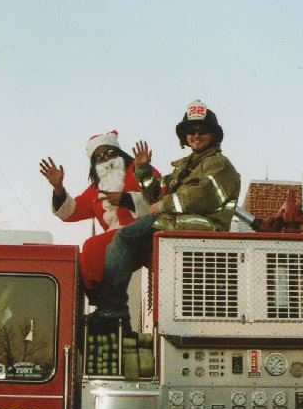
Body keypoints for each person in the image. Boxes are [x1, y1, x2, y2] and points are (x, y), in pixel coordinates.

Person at [91, 100, 241, 324]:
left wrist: (163, 206)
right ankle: (112, 313)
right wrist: (143, 169)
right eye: (191, 131)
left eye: (202, 130)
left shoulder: (219, 166)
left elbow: (199, 197)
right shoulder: (186, 166)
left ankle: (113, 310)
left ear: (213, 134)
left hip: (202, 226)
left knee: (124, 236)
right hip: (178, 227)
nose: (196, 135)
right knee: (124, 247)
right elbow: (157, 193)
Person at [39, 130, 159, 298]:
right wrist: (58, 188)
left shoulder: (138, 171)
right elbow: (70, 211)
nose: (106, 159)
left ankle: (108, 302)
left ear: (119, 154)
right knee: (78, 262)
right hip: (115, 244)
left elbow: (160, 197)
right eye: (99, 157)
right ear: (94, 163)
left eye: (110, 153)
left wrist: (126, 199)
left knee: (92, 247)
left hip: (144, 234)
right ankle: (99, 301)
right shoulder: (95, 189)